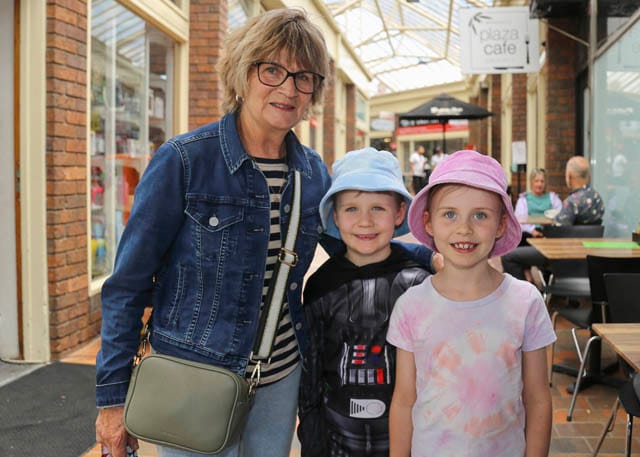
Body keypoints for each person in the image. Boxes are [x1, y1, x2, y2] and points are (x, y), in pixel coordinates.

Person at [94, 9, 332, 457]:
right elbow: (127, 285)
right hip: (193, 379)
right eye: (272, 70)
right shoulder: (184, 161)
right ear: (242, 73)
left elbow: (358, 246)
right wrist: (112, 397)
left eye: (303, 77)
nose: (288, 88)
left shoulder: (313, 173)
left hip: (280, 379)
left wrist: (430, 257)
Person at [387, 149, 556, 457]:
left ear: (501, 224)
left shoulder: (526, 302)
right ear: (429, 222)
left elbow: (538, 399)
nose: (464, 228)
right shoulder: (411, 306)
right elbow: (404, 400)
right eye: (449, 214)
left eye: (480, 215)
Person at [297, 147, 435, 457]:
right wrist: (313, 440)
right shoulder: (322, 285)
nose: (365, 221)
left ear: (399, 213)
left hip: (410, 440)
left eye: (378, 208)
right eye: (351, 209)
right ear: (334, 215)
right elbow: (311, 374)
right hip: (337, 442)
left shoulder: (419, 284)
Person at [500, 155, 605, 280]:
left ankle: (525, 290)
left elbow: (557, 234)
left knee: (508, 257)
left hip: (562, 254)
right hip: (588, 255)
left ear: (569, 176)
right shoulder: (597, 198)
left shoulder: (571, 203)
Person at [514, 168, 562, 244]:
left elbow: (560, 215)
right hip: (529, 232)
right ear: (531, 182)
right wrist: (532, 230)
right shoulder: (523, 199)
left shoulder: (553, 198)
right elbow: (519, 220)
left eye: (542, 181)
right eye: (536, 181)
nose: (539, 184)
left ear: (545, 183)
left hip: (549, 231)